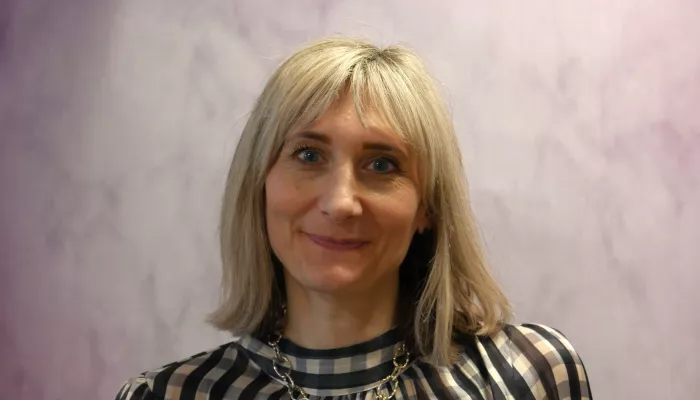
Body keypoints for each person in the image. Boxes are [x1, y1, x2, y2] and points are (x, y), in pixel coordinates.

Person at [116, 38, 592, 400]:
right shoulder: (168, 394)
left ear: (427, 205)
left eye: (382, 164)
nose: (340, 202)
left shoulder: (530, 373)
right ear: (258, 184)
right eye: (308, 154)